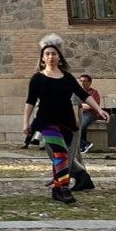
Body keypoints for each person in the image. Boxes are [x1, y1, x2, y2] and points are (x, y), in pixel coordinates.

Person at [24, 35, 108, 204]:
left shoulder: (67, 77)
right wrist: (25, 122)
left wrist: (99, 109)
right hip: (47, 121)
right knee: (61, 153)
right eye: (47, 54)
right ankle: (63, 188)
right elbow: (30, 102)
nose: (50, 57)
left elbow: (83, 95)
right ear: (42, 58)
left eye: (53, 54)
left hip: (67, 121)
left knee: (60, 156)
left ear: (59, 57)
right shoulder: (37, 78)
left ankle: (57, 188)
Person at [77, 74, 102, 154]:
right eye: (81, 81)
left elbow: (92, 106)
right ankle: (83, 146)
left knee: (82, 125)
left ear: (90, 82)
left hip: (91, 113)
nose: (82, 83)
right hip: (79, 113)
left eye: (84, 81)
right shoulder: (77, 92)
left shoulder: (93, 92)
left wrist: (80, 105)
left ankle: (85, 144)